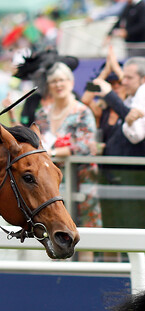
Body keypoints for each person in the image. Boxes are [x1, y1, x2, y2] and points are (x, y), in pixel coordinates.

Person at [34, 62, 102, 260]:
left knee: (84, 230)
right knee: (54, 227)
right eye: (54, 81)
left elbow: (88, 145)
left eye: (62, 80)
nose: (58, 85)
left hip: (82, 179)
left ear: (71, 82)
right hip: (49, 183)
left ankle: (86, 271)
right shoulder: (42, 114)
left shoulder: (82, 111)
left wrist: (57, 151)